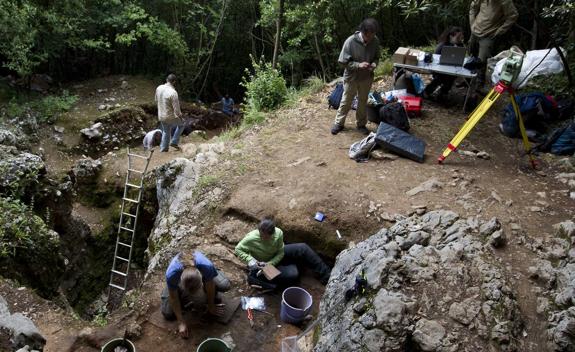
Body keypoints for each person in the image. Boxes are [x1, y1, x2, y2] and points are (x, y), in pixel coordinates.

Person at [235, 217, 331, 288]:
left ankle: (327, 276)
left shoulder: (278, 233)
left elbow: (281, 253)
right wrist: (250, 260)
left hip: (274, 257)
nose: (263, 238)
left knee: (303, 248)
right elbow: (238, 249)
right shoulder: (251, 238)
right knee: (293, 273)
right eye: (261, 235)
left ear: (272, 233)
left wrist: (271, 263)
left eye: (266, 237)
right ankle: (266, 277)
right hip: (263, 265)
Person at [161, 251, 231, 339]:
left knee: (224, 285)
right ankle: (174, 288)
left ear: (202, 279)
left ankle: (214, 276)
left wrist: (211, 305)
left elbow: (210, 285)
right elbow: (173, 297)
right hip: (175, 280)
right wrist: (181, 322)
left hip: (204, 270)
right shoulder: (171, 275)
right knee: (168, 313)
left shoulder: (206, 266)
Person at [331, 18, 380, 136]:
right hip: (351, 77)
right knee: (346, 101)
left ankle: (361, 124)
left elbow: (377, 57)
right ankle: (339, 123)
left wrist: (374, 64)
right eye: (368, 36)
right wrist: (358, 65)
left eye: (373, 35)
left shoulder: (375, 41)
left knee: (363, 101)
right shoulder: (350, 41)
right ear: (363, 32)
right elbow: (342, 62)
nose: (370, 38)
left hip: (366, 77)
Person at [468, 0, 518, 86]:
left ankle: (478, 85)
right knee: (472, 56)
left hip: (488, 34)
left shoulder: (505, 1)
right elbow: (473, 7)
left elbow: (513, 15)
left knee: (481, 61)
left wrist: (500, 30)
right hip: (475, 32)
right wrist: (472, 24)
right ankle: (468, 80)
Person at [423, 26, 465, 103]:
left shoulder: (460, 45)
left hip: (452, 68)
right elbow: (435, 58)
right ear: (451, 36)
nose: (460, 39)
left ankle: (442, 93)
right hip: (439, 69)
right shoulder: (442, 45)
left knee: (451, 77)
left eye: (461, 37)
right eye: (458, 37)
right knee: (441, 77)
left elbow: (461, 57)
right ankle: (427, 92)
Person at [155, 74, 184, 152]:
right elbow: (177, 110)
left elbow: (156, 100)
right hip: (169, 116)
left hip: (160, 115)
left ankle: (164, 148)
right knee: (182, 125)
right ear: (174, 82)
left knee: (166, 130)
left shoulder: (159, 88)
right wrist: (181, 118)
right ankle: (174, 142)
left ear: (166, 80)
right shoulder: (173, 92)